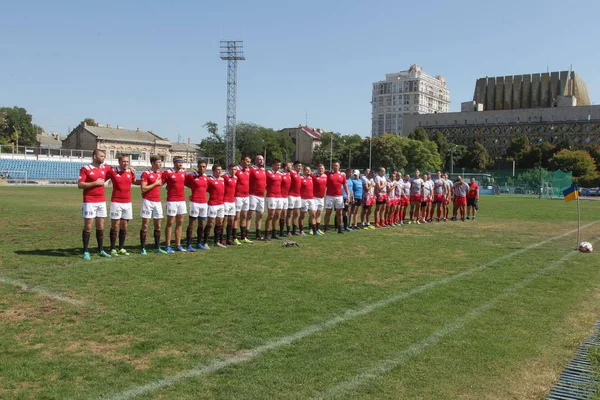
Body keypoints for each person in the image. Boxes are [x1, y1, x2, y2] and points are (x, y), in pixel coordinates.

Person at [78, 149, 112, 260]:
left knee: (100, 226)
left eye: (104, 156)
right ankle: (86, 251)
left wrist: (129, 168)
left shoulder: (105, 168)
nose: (103, 158)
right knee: (88, 226)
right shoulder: (85, 169)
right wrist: (95, 183)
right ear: (94, 156)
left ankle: (101, 249)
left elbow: (117, 170)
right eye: (101, 156)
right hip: (89, 201)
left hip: (101, 200)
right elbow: (80, 184)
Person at [106, 154, 137, 256]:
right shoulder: (112, 171)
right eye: (123, 161)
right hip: (116, 202)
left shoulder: (130, 172)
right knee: (115, 225)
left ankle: (121, 248)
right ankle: (113, 248)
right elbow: (103, 175)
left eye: (127, 162)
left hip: (127, 202)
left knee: (124, 225)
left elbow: (134, 181)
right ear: (119, 162)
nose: (126, 163)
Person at [139, 155, 167, 255]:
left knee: (158, 225)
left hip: (157, 202)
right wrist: (155, 183)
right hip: (147, 201)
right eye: (159, 162)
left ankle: (157, 247)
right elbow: (143, 188)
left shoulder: (160, 173)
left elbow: (162, 183)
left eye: (161, 162)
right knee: (145, 225)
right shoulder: (146, 173)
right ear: (153, 163)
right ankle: (142, 248)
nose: (160, 164)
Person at [163, 157, 187, 253]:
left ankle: (178, 244)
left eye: (182, 162)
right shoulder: (167, 172)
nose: (181, 164)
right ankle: (168, 245)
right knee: (170, 222)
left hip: (181, 200)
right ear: (174, 163)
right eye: (179, 162)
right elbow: (161, 183)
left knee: (180, 222)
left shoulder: (183, 172)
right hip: (172, 200)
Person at [184, 159, 209, 251]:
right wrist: (193, 188)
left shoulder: (206, 177)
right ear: (197, 167)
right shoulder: (191, 176)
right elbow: (184, 182)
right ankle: (189, 245)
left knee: (201, 224)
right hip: (195, 202)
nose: (202, 168)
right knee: (192, 223)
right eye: (200, 166)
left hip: (204, 203)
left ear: (206, 167)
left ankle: (199, 243)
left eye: (204, 166)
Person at [323, 161, 351, 234]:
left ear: (339, 167)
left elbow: (345, 185)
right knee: (328, 212)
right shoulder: (327, 174)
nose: (335, 167)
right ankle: (325, 228)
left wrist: (348, 195)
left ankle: (339, 229)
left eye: (336, 165)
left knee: (339, 213)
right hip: (330, 196)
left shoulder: (342, 175)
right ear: (332, 166)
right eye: (334, 165)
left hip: (339, 196)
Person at [205, 165, 226, 248]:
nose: (219, 171)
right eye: (217, 170)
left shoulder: (223, 180)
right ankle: (205, 242)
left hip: (221, 204)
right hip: (213, 204)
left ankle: (216, 241)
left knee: (219, 222)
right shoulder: (210, 180)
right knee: (210, 223)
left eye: (220, 170)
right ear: (213, 171)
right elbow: (204, 189)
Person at [248, 155, 267, 240]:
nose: (261, 161)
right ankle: (246, 233)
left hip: (261, 196)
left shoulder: (263, 170)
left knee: (260, 215)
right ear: (255, 160)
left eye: (262, 159)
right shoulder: (251, 170)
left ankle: (258, 234)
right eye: (259, 159)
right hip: (253, 195)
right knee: (250, 215)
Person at [234, 156, 253, 244]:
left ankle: (243, 237)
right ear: (242, 161)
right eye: (247, 161)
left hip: (246, 196)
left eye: (249, 162)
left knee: (244, 216)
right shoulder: (236, 169)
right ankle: (234, 237)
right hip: (238, 196)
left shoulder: (248, 170)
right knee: (237, 217)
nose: (248, 163)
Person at [265, 159, 284, 240]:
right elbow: (264, 183)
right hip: (271, 196)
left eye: (279, 165)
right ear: (273, 165)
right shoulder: (268, 173)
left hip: (279, 196)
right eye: (277, 165)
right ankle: (267, 233)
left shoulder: (280, 174)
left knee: (277, 215)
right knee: (271, 215)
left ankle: (274, 233)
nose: (278, 167)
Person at [299, 165, 318, 236]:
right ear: (304, 171)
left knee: (313, 215)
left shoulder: (312, 178)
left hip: (311, 199)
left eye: (309, 170)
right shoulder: (301, 178)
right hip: (303, 199)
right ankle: (301, 231)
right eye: (307, 170)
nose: (308, 171)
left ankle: (314, 231)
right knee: (302, 216)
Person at [222, 164, 239, 245]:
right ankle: (221, 238)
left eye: (235, 169)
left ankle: (229, 238)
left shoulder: (236, 178)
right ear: (228, 169)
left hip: (232, 201)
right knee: (223, 220)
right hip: (225, 201)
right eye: (232, 169)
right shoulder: (224, 177)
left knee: (231, 220)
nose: (233, 171)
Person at [286, 161, 303, 236]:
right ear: (294, 166)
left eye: (301, 166)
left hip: (298, 196)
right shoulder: (292, 173)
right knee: (289, 214)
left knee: (296, 214)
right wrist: (289, 166)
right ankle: (288, 230)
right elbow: (288, 169)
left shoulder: (299, 174)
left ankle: (294, 230)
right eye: (298, 166)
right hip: (291, 196)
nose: (300, 167)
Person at [311, 164, 328, 234]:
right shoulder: (313, 176)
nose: (321, 169)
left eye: (322, 168)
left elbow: (325, 187)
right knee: (313, 214)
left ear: (324, 169)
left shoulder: (325, 176)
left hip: (321, 198)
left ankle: (317, 229)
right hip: (314, 197)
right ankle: (312, 229)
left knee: (319, 213)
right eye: (319, 168)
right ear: (317, 169)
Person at [279, 163, 292, 237]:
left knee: (284, 214)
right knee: (279, 214)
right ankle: (277, 231)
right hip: (280, 197)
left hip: (286, 197)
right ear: (286, 167)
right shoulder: (281, 175)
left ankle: (282, 231)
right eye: (290, 166)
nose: (291, 167)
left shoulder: (289, 175)